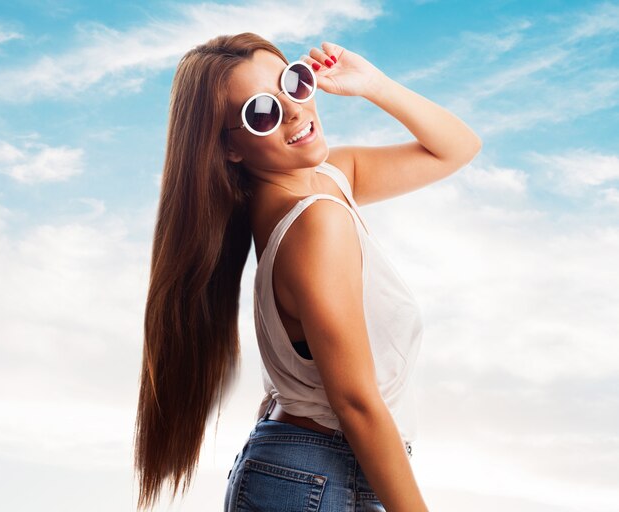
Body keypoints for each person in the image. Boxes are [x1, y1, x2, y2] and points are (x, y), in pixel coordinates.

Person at [133, 32, 481, 512]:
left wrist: (373, 84)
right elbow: (356, 403)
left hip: (315, 472)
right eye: (262, 112)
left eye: (293, 83)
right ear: (229, 149)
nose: (295, 111)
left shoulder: (330, 178)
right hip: (320, 477)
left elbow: (457, 148)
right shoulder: (313, 223)